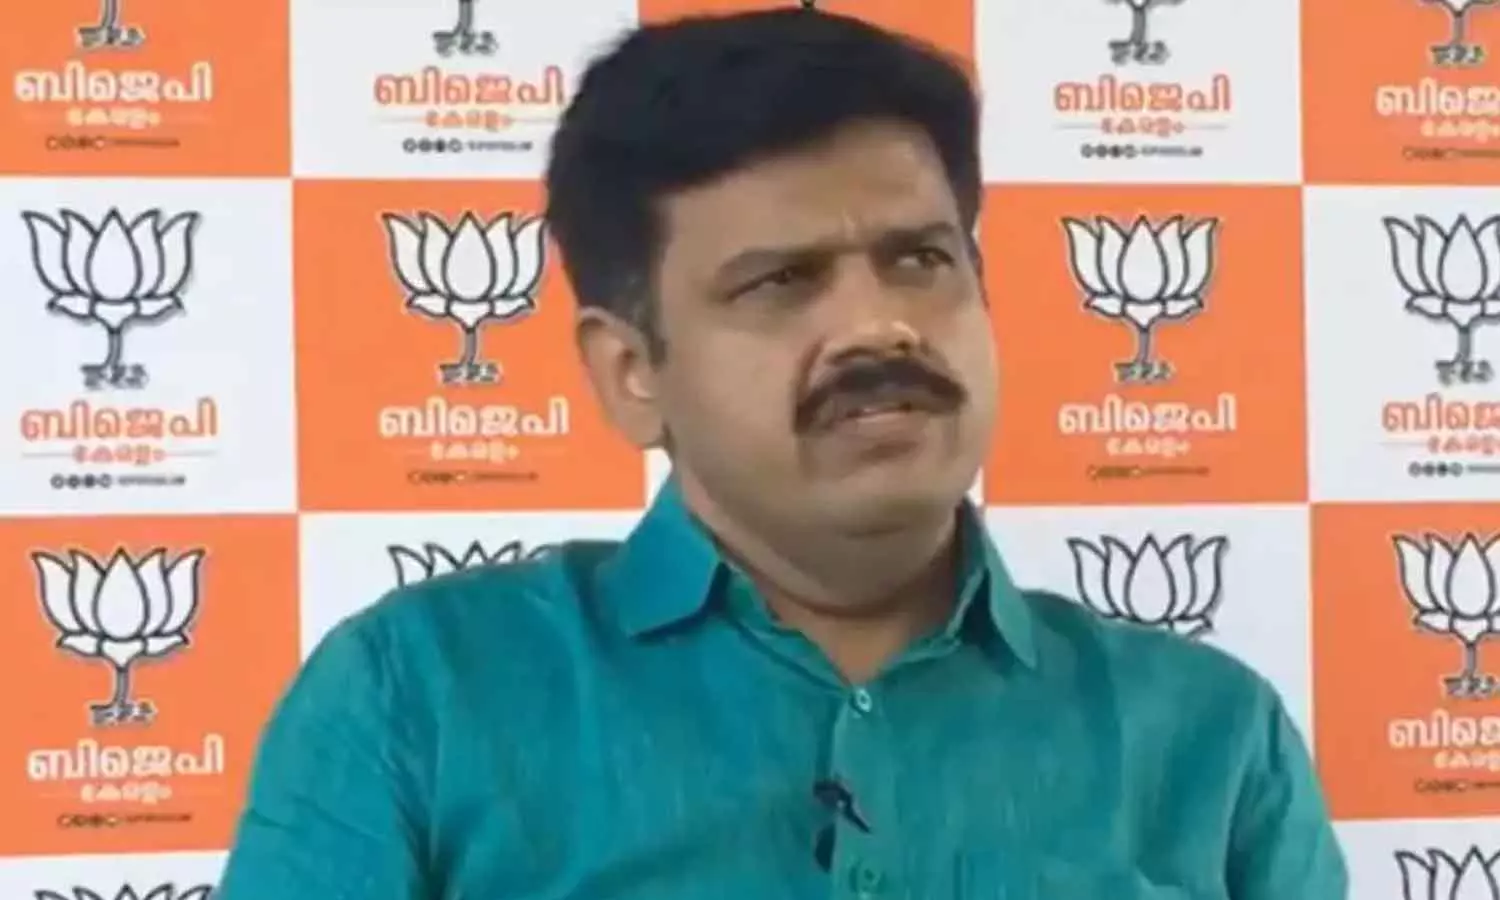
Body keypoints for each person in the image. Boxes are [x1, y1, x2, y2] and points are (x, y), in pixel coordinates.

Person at [216, 8, 1348, 899]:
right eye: (781, 281)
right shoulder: (417, 698)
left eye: (921, 261)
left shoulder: (1211, 737)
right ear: (631, 371)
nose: (879, 326)